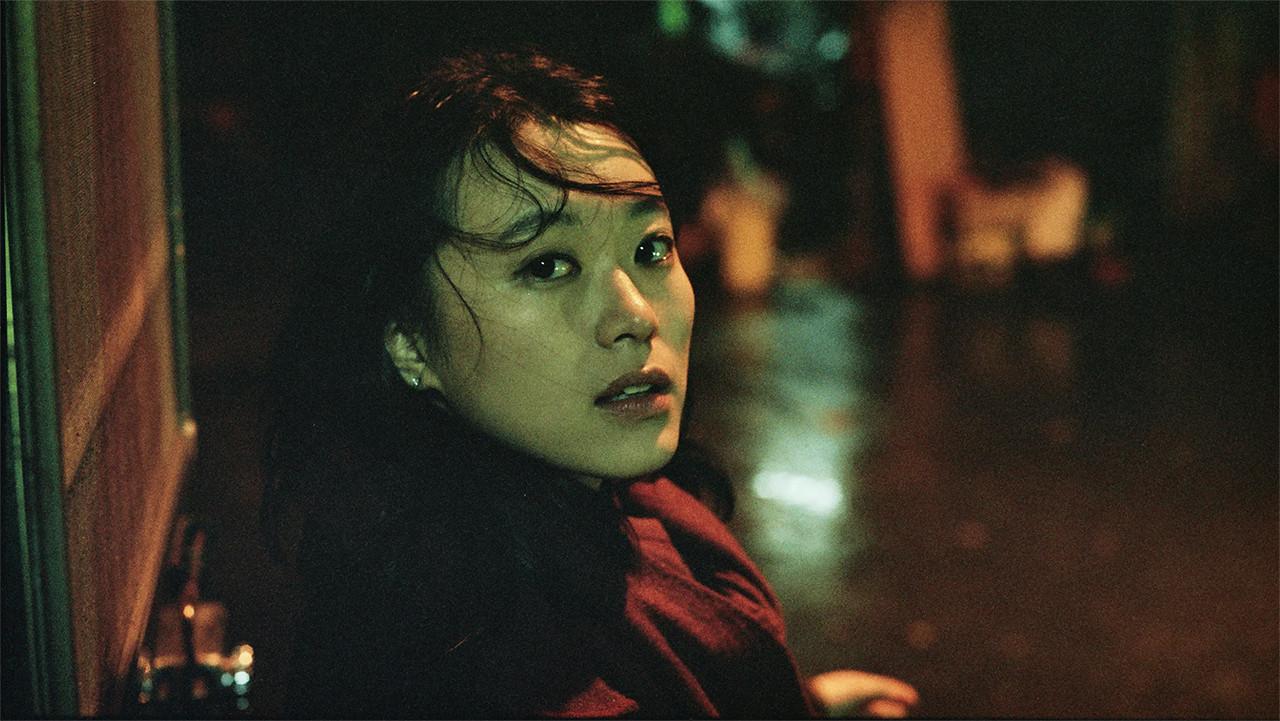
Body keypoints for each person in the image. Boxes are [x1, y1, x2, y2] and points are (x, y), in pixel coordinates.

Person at [264, 46, 918, 718]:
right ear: (409, 342)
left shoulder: (616, 504)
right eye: (547, 265)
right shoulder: (470, 663)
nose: (636, 314)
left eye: (650, 249)